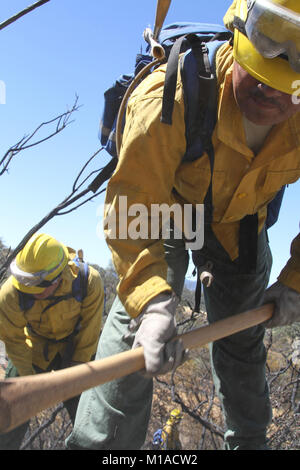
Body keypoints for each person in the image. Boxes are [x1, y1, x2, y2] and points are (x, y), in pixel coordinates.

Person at [66, 0, 300, 451]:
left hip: (241, 225)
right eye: (273, 33)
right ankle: (102, 448)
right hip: (164, 214)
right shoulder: (170, 94)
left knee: (242, 344)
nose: (276, 76)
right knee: (134, 339)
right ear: (242, 25)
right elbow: (133, 205)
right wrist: (153, 304)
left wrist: (295, 282)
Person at [0, 233, 104, 450]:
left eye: (32, 283)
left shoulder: (89, 282)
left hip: (75, 349)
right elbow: (14, 340)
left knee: (89, 418)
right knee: (11, 407)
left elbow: (89, 335)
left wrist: (77, 375)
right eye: (22, 280)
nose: (24, 287)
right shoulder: (10, 293)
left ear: (57, 278)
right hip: (34, 347)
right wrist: (29, 385)